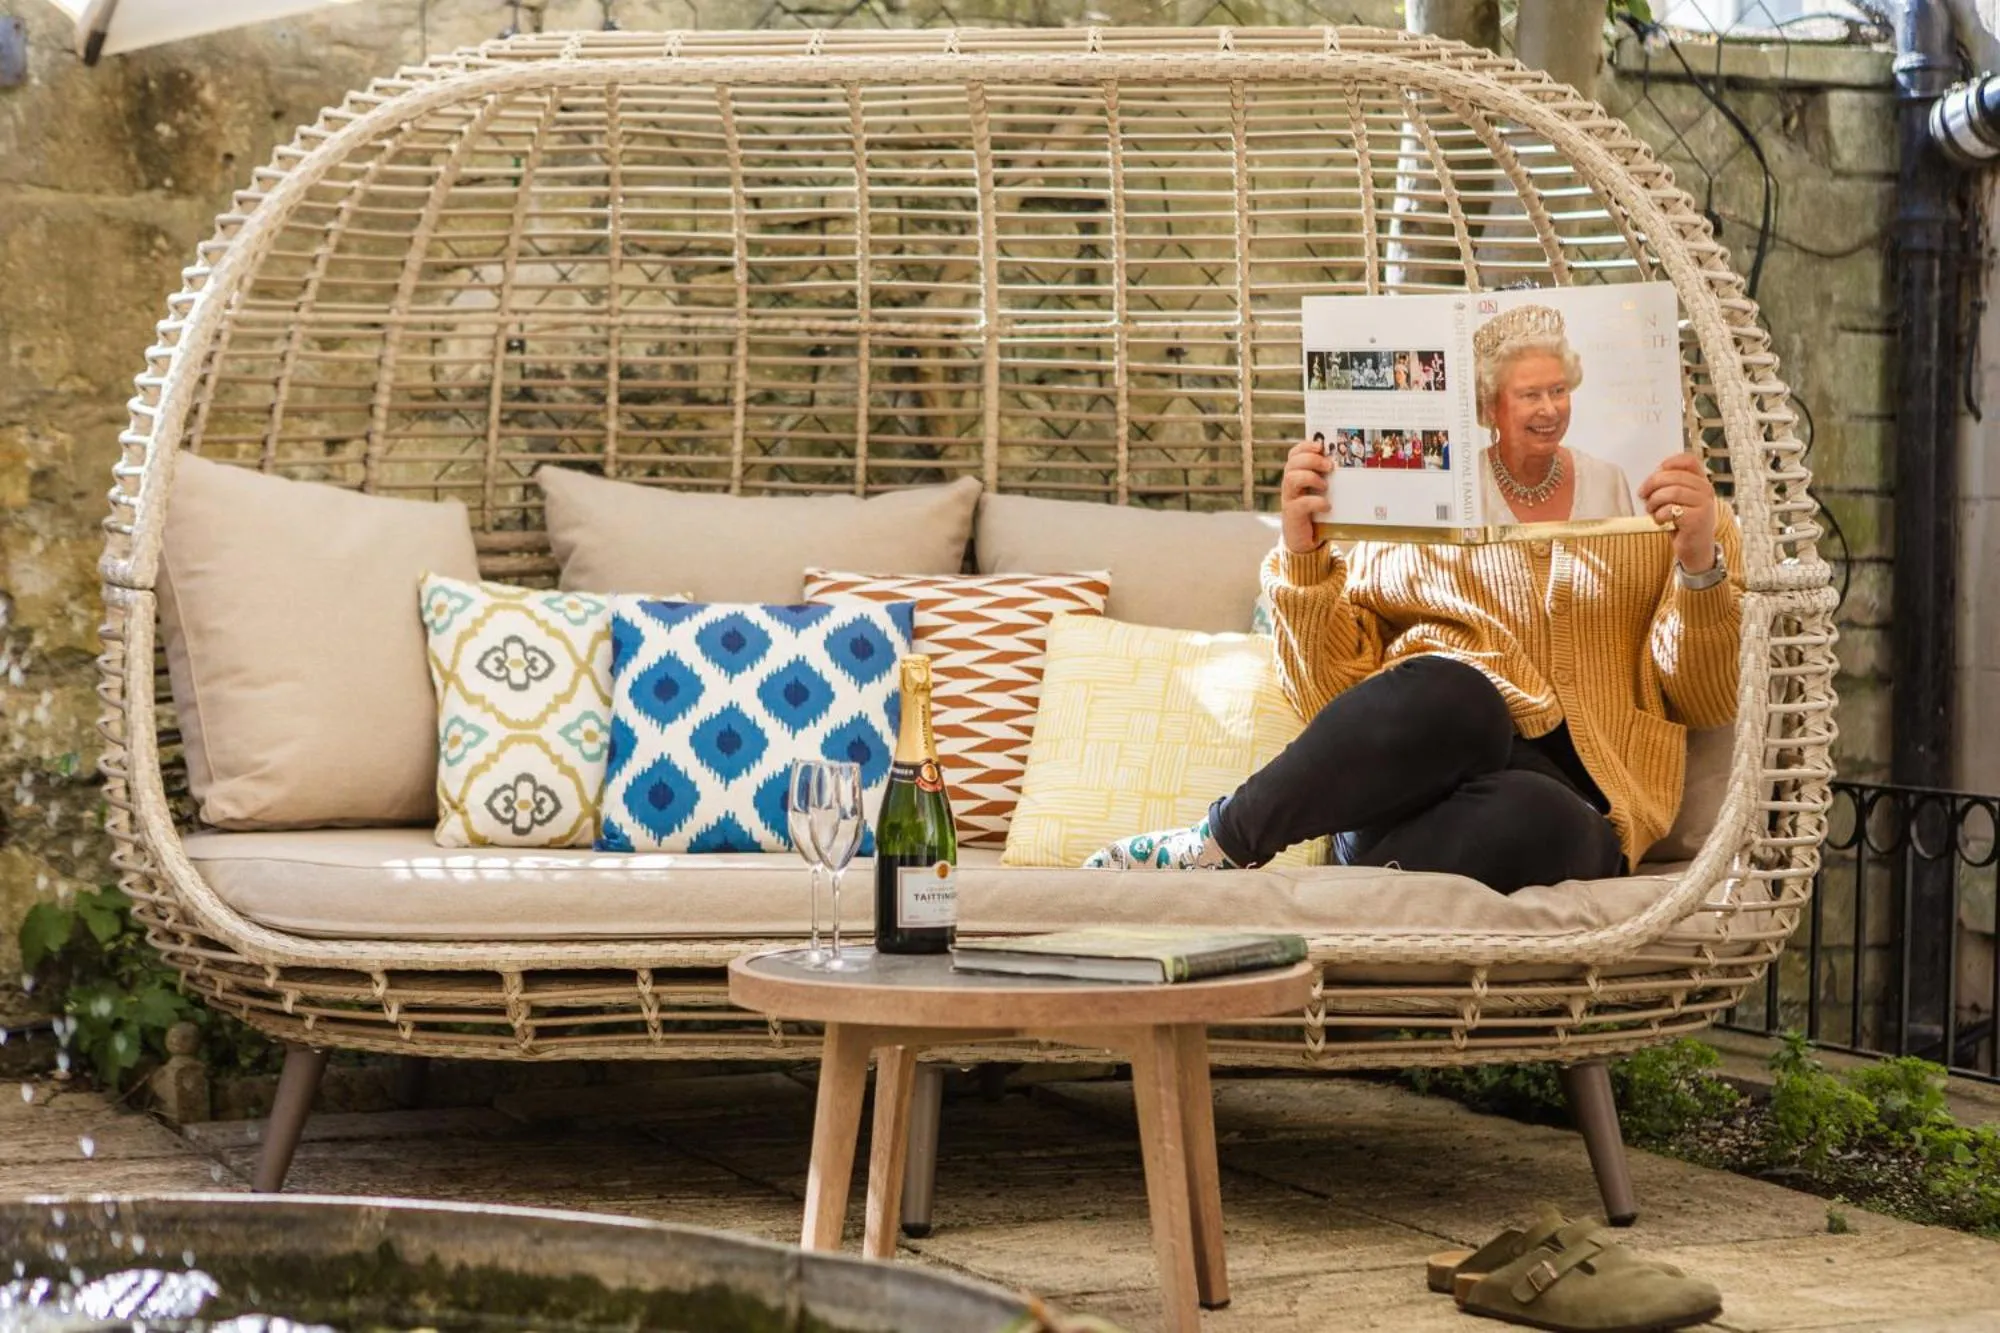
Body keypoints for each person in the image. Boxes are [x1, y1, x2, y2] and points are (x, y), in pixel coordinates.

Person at [1083, 372, 1741, 894]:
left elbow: (1708, 699)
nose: (1544, 409)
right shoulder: (1402, 507)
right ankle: (1218, 843)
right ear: (1487, 404)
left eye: (1556, 390)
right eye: (1525, 392)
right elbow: (1327, 700)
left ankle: (1351, 897)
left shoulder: (1670, 510)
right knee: (1461, 696)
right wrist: (1304, 557)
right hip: (1414, 765)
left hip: (1576, 807)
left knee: (1547, 818)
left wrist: (1698, 564)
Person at [1469, 305, 1634, 523]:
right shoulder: (1467, 487)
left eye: (1558, 391)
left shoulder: (1607, 481)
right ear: (1491, 406)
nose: (1549, 410)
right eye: (1531, 395)